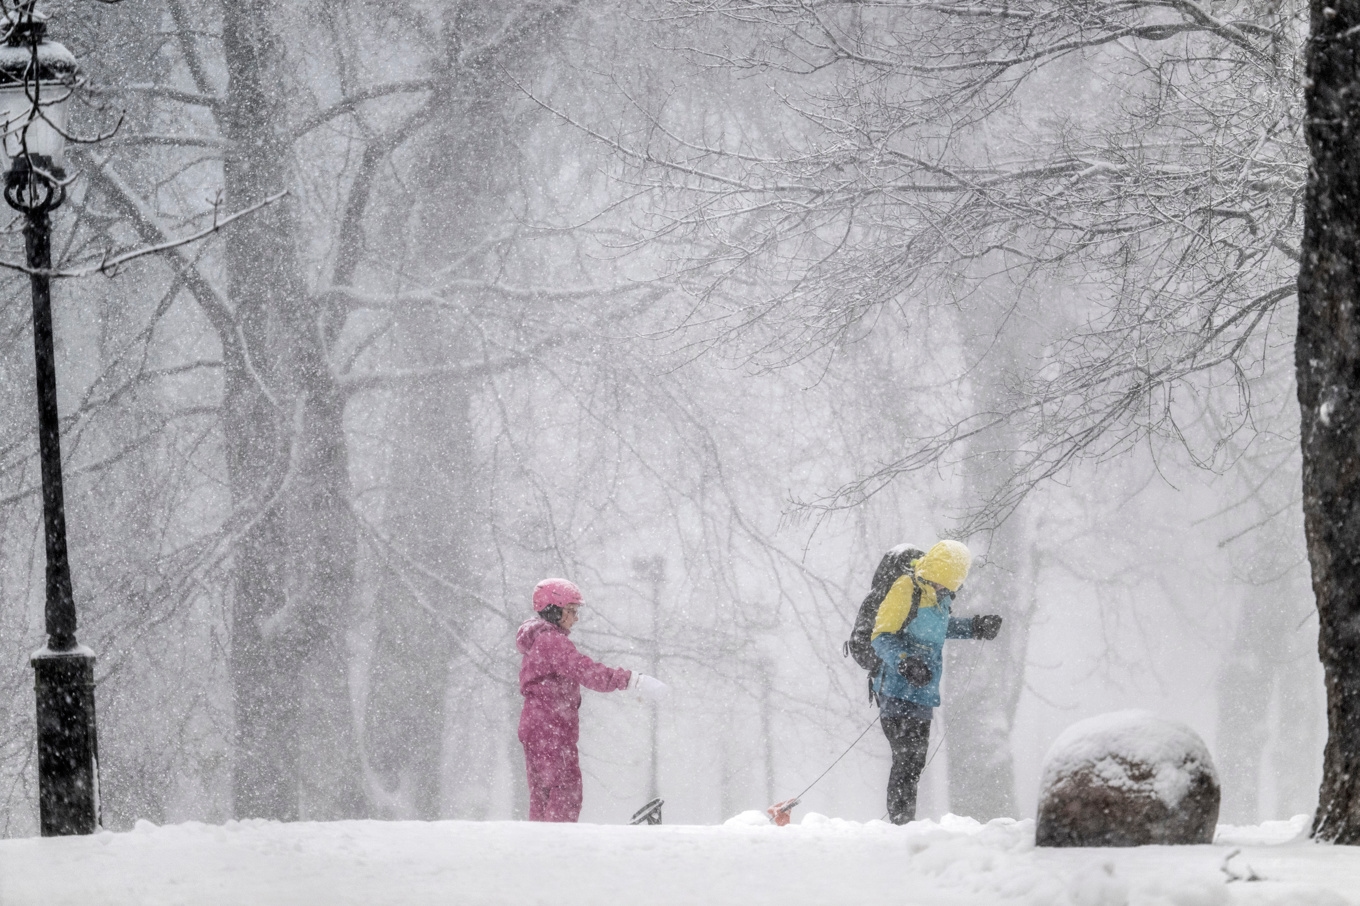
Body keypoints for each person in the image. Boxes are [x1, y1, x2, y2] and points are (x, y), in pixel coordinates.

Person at [868, 540, 1003, 825]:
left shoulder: (940, 598)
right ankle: (901, 824)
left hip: (922, 694)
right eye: (942, 583)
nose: (945, 589)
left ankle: (903, 823)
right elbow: (880, 636)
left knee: (915, 764)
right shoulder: (906, 589)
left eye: (950, 586)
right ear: (932, 572)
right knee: (906, 760)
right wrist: (905, 662)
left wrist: (976, 627)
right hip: (895, 691)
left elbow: (940, 629)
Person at [516, 577, 668, 822]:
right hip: (551, 728)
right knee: (566, 792)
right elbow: (587, 672)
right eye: (571, 611)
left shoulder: (540, 641)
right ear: (554, 610)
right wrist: (633, 680)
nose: (576, 618)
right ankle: (560, 846)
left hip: (537, 726)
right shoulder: (552, 641)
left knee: (543, 794)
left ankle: (541, 846)